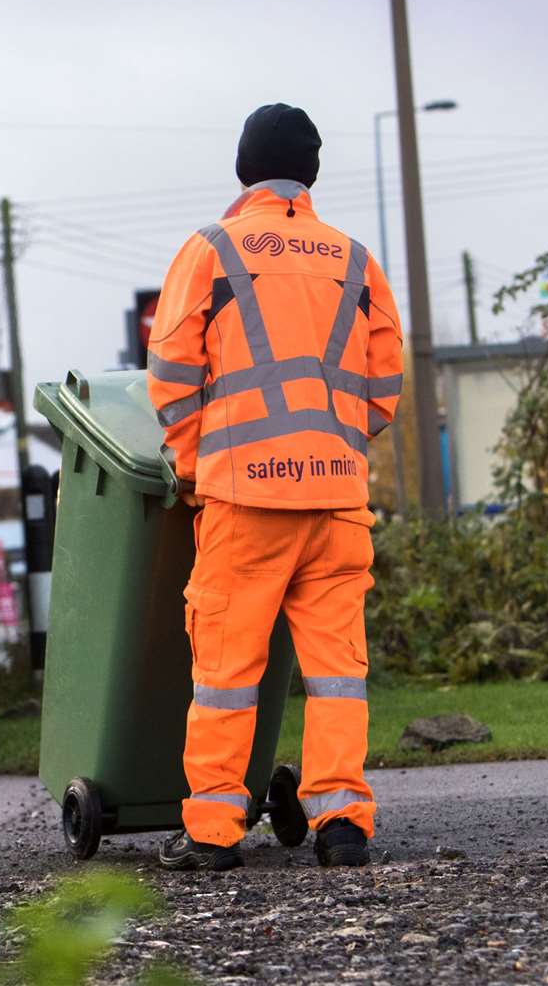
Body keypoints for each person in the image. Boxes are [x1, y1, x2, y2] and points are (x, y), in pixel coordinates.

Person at [146, 103, 405, 872]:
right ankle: (341, 826)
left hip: (243, 502)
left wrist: (198, 462)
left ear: (241, 168)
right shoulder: (355, 259)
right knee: (336, 674)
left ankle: (214, 833)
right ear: (312, 173)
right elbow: (384, 382)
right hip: (335, 501)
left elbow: (170, 370)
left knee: (227, 672)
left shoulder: (212, 249)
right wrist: (331, 443)